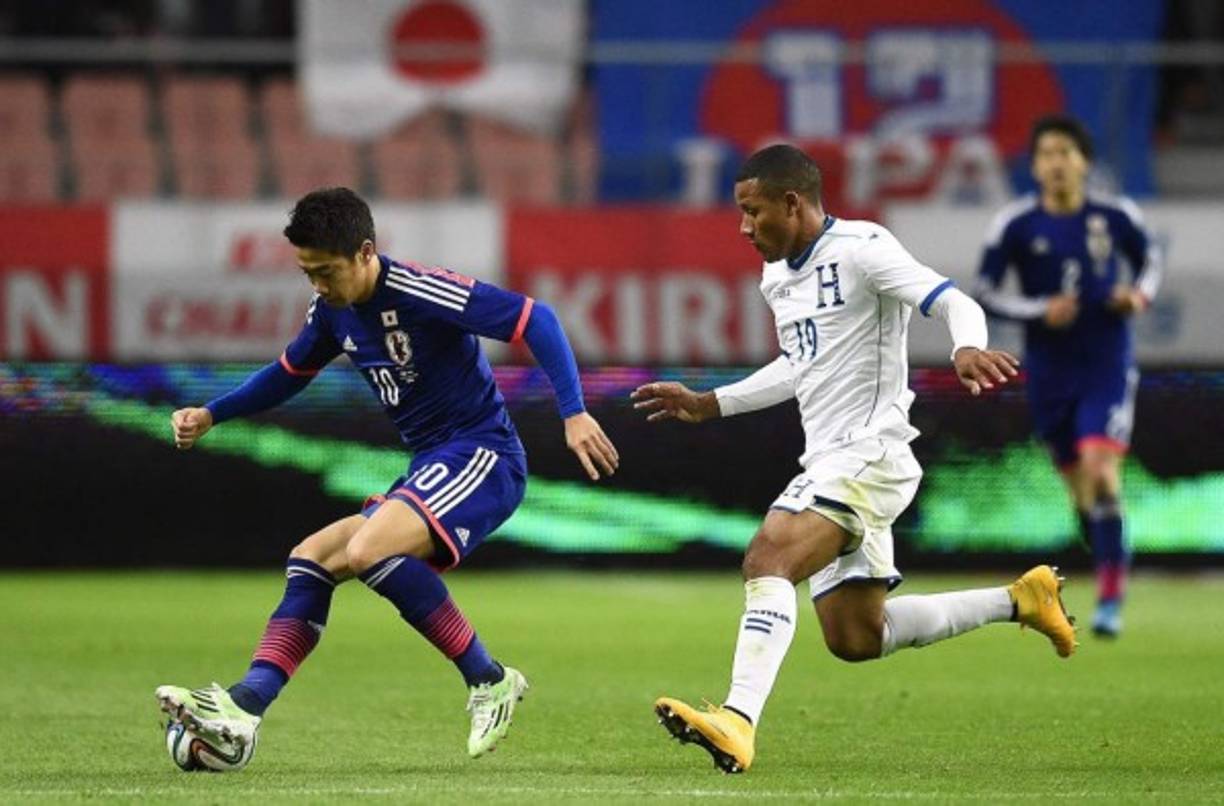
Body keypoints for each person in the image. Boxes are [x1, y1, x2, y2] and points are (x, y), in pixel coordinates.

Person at [631, 144, 1076, 775]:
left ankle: (737, 720)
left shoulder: (865, 249)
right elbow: (800, 364)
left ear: (792, 202)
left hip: (872, 453)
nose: (743, 227)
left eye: (753, 212)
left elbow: (954, 301)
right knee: (856, 637)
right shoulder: (776, 276)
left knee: (769, 556)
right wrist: (712, 404)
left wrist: (967, 347)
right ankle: (1021, 600)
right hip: (831, 460)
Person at [156, 187, 619, 761]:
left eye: (327, 271)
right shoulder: (330, 310)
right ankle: (246, 705)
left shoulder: (421, 289)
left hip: (483, 455)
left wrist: (573, 411)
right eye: (308, 274)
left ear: (366, 251)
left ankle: (488, 678)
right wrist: (212, 413)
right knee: (311, 559)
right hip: (431, 465)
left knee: (370, 548)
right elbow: (288, 372)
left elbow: (536, 319)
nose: (319, 286)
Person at [974, 115, 1162, 638]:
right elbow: (985, 291)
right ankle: (1102, 537)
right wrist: (1038, 310)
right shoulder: (1015, 224)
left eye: (1065, 152)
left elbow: (1150, 261)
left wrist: (1138, 295)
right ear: (1034, 166)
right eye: (1046, 154)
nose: (1056, 163)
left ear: (1083, 161)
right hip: (1050, 370)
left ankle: (1110, 599)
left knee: (1103, 472)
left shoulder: (1115, 215)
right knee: (1082, 491)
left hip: (1106, 360)